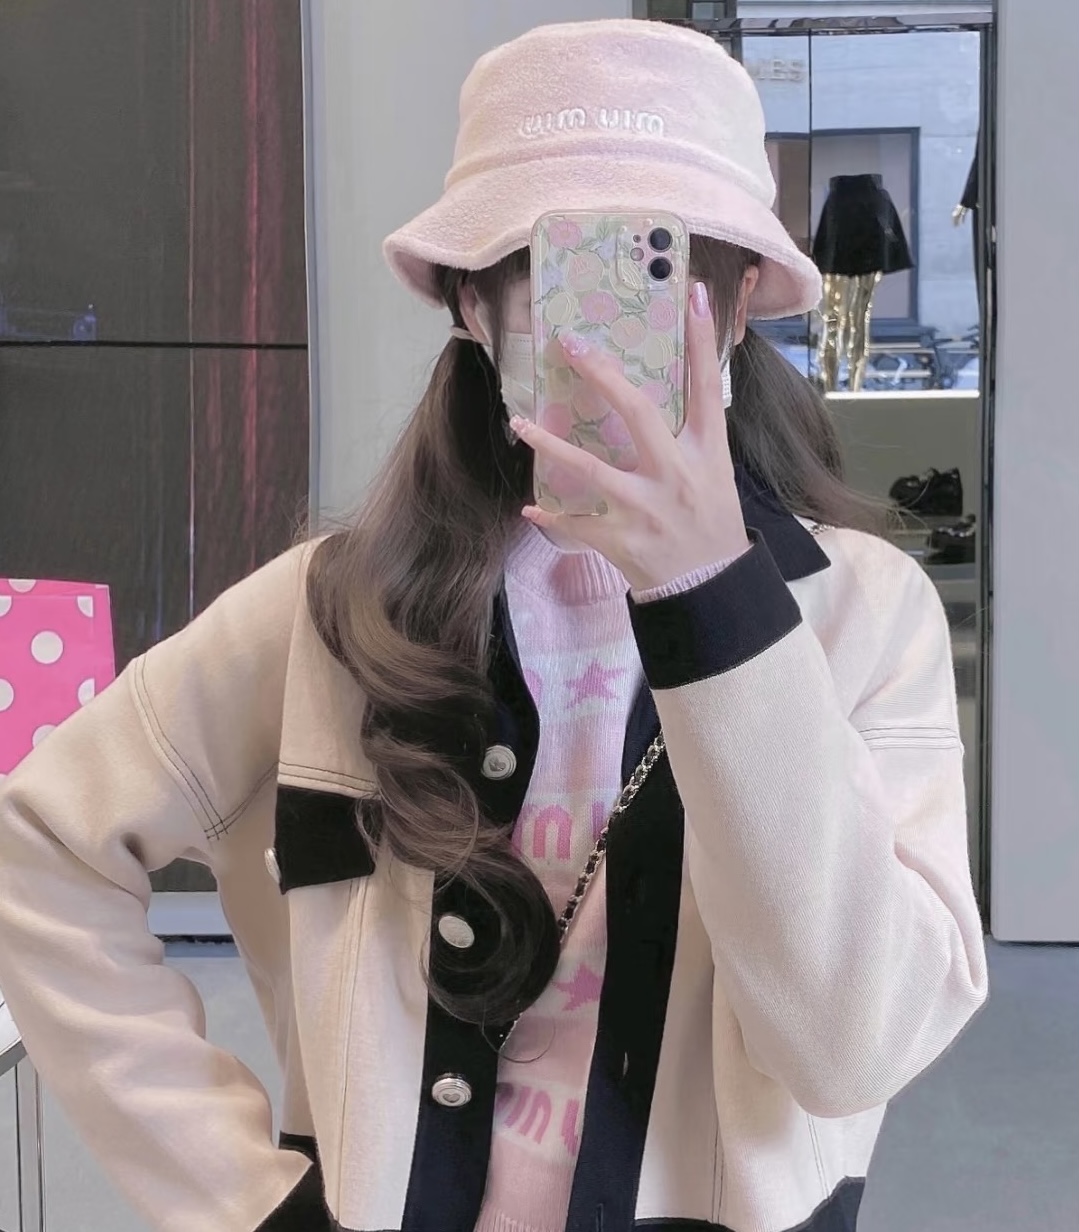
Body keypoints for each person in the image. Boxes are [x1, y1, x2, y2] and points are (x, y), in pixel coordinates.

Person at [0, 19, 988, 1232]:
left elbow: (853, 1046)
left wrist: (711, 601)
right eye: (555, 266)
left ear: (735, 305)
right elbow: (41, 839)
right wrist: (243, 1200)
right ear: (473, 302)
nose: (614, 323)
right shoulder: (330, 611)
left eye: (667, 267)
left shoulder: (863, 616)